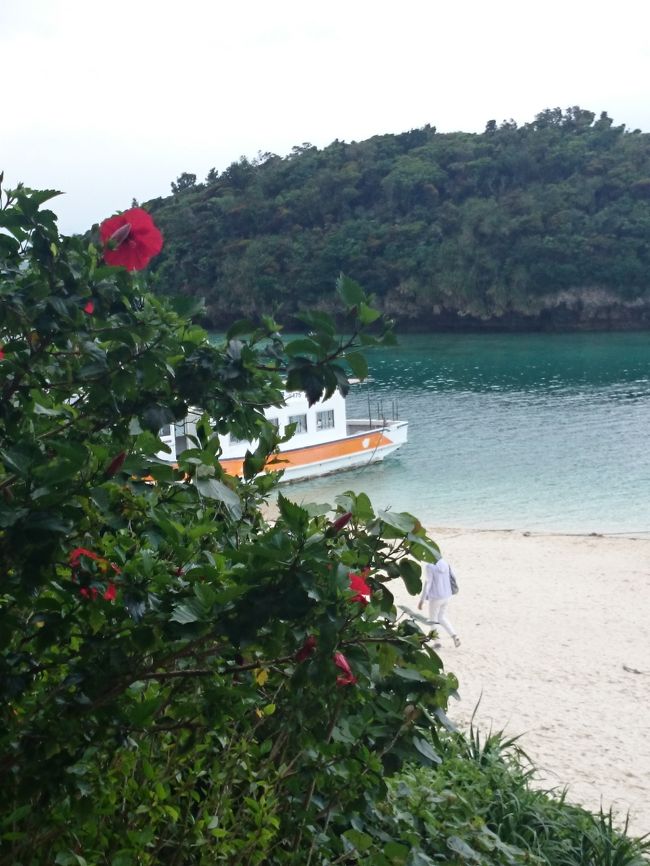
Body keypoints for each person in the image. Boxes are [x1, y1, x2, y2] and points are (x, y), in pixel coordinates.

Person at [417, 557, 461, 648]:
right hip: (447, 595)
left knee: (432, 620)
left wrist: (422, 599)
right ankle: (454, 636)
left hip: (436, 597)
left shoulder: (430, 566)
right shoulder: (445, 563)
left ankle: (437, 641)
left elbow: (428, 582)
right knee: (441, 617)